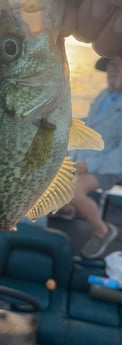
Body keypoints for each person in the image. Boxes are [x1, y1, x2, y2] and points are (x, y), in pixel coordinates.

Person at [59, 56, 122, 259]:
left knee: (74, 189)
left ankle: (103, 231)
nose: (114, 69)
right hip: (89, 159)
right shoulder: (105, 95)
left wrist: (89, 164)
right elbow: (92, 123)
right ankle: (67, 208)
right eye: (112, 64)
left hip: (110, 168)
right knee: (54, 170)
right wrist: (68, 123)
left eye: (121, 66)